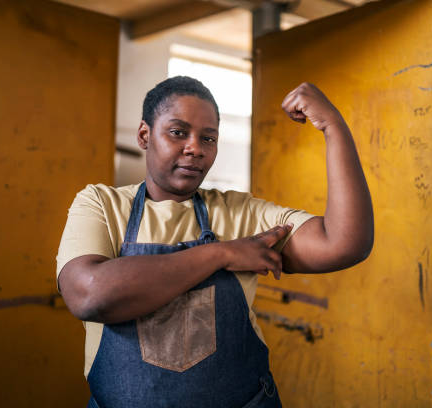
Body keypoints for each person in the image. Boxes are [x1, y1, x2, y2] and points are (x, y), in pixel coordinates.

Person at [56, 76, 373, 407]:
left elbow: (344, 243)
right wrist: (222, 253)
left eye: (208, 138)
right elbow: (89, 294)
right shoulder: (102, 204)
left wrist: (334, 128)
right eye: (178, 133)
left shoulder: (239, 213)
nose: (195, 148)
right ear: (144, 135)